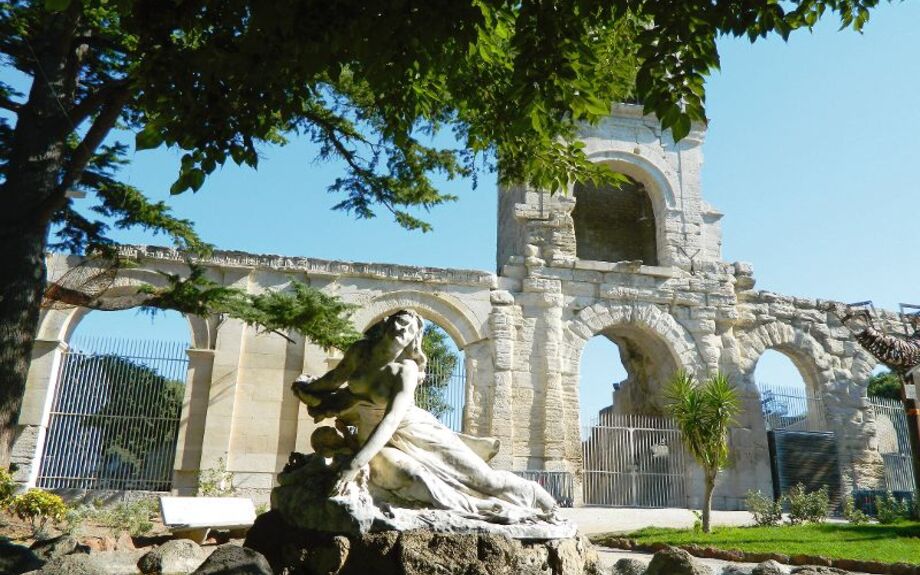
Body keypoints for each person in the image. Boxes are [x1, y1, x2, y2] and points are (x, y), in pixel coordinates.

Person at [291, 310, 558, 523]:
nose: (402, 330)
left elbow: (392, 419)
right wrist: (307, 388)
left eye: (410, 329)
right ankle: (483, 507)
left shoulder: (405, 370)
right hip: (375, 440)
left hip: (415, 432)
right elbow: (333, 379)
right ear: (387, 324)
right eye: (400, 322)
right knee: (416, 480)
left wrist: (356, 463)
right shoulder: (360, 352)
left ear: (414, 339)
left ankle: (536, 495)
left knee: (485, 480)